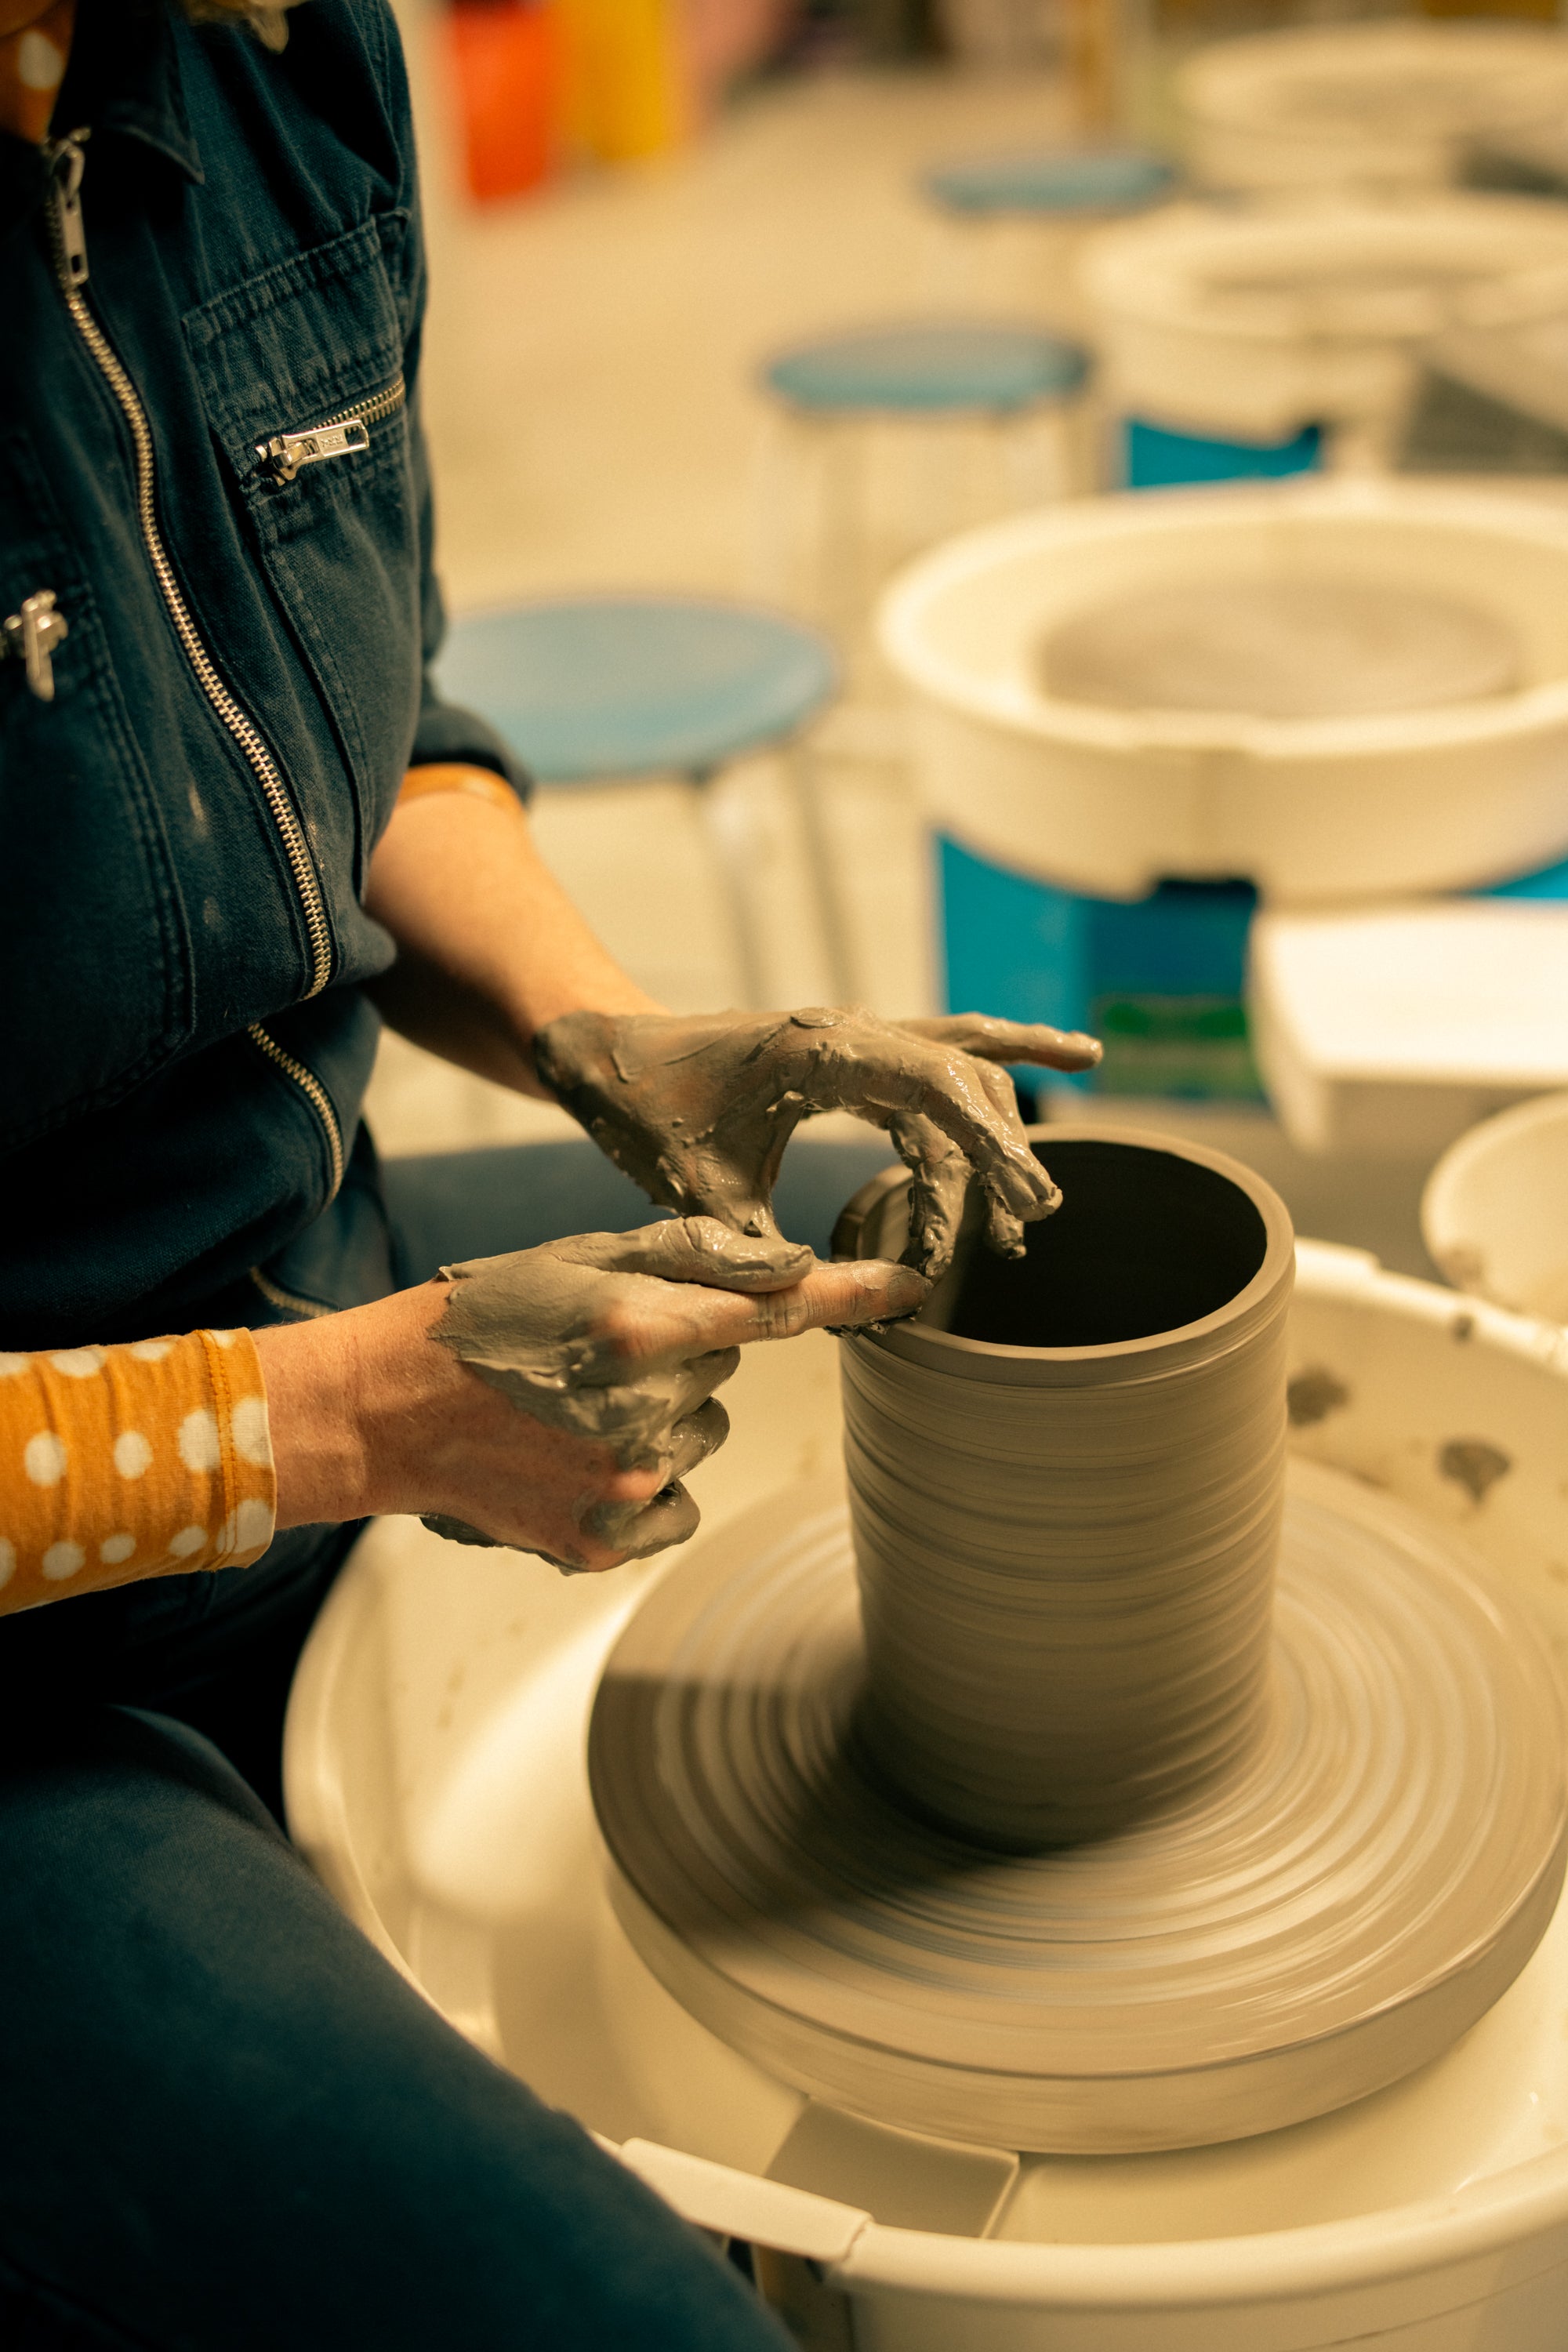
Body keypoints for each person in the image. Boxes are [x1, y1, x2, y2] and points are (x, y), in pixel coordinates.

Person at [0, 2, 1099, 2343]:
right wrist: (344, 1428)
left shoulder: (266, 55)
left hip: (306, 1266)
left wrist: (608, 1031)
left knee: (1025, 1238)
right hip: (32, 1641)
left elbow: (343, 714)